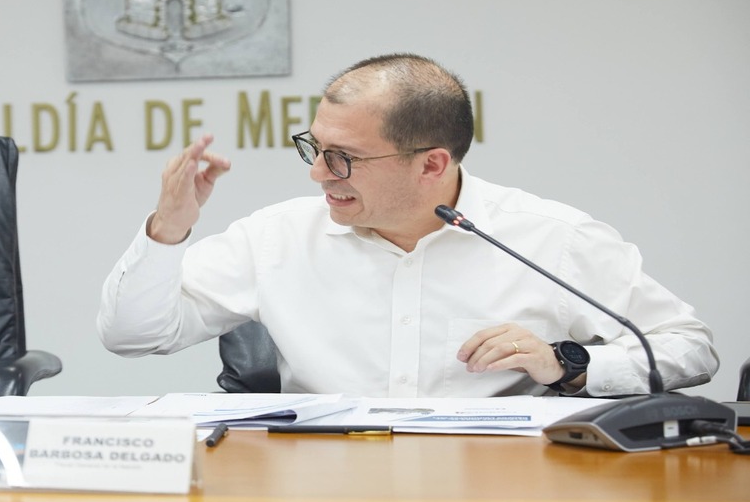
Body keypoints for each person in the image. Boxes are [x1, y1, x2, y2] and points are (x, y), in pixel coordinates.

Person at [98, 53, 717, 397]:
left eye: (344, 158)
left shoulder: (549, 236)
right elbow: (131, 336)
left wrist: (571, 361)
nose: (319, 175)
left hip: (501, 494)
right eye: (314, 148)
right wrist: (167, 229)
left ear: (432, 164)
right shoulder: (277, 237)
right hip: (319, 493)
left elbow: (689, 349)